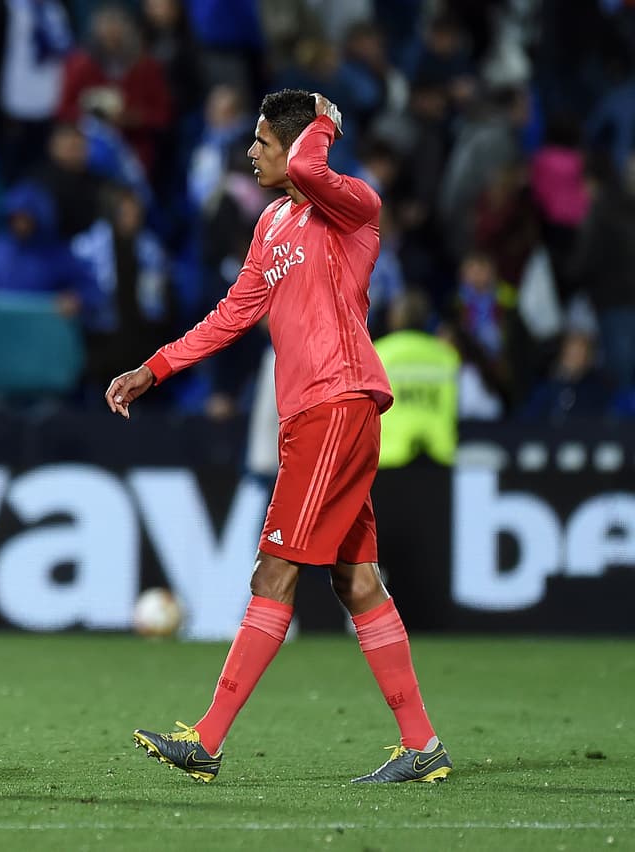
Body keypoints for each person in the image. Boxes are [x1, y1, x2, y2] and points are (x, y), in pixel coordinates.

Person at [106, 90, 451, 784]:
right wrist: (157, 366)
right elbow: (235, 312)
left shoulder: (353, 204)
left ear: (295, 146)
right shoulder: (271, 223)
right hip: (309, 415)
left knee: (274, 571)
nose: (249, 153)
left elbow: (317, 173)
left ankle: (206, 738)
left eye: (261, 142)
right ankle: (423, 747)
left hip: (336, 402)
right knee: (355, 581)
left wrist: (320, 122)